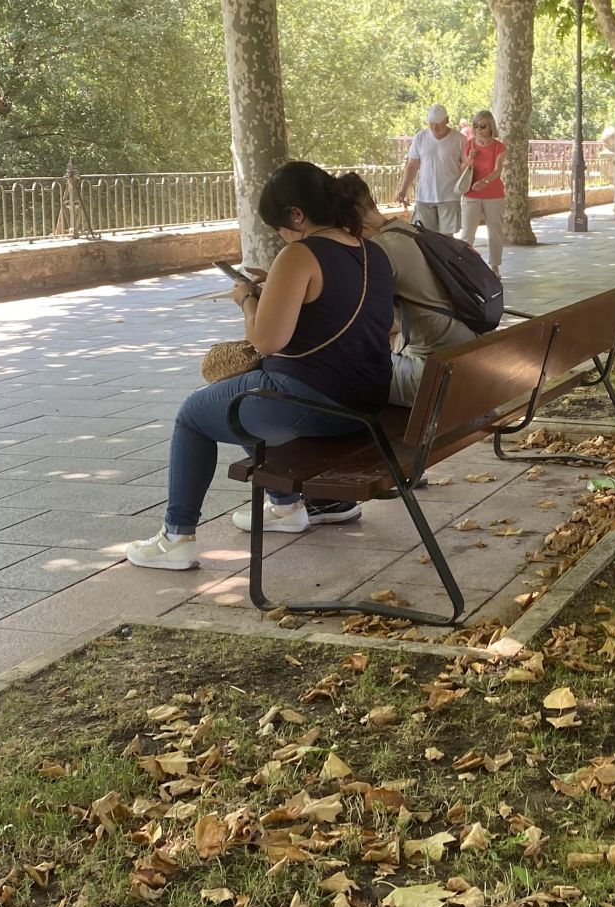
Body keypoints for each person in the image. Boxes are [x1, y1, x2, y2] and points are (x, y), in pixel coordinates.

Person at [125, 164, 394, 570]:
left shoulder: (300, 254)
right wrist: (280, 291)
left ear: (296, 215)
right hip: (366, 403)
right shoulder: (371, 251)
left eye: (279, 227)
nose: (282, 236)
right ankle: (287, 507)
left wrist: (248, 300)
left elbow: (266, 341)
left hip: (315, 403)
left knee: (193, 415)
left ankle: (176, 537)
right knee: (242, 394)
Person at [352, 177, 477, 407]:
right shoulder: (414, 230)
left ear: (348, 223)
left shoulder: (378, 250)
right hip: (473, 358)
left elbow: (365, 324)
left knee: (342, 376)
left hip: (435, 378)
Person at [396, 104, 467, 233]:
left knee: (446, 238)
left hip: (449, 196)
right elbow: (412, 166)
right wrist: (403, 189)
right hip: (424, 196)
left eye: (439, 123)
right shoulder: (420, 137)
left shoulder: (459, 139)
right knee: (426, 237)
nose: (435, 127)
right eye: (431, 123)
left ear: (447, 120)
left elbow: (466, 166)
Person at [458, 109, 508, 272]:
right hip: (471, 194)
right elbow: (461, 168)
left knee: (494, 232)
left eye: (483, 126)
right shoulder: (469, 144)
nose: (479, 129)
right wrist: (469, 158)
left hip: (493, 195)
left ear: (491, 127)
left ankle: (494, 267)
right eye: (476, 126)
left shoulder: (499, 147)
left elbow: (498, 170)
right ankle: (464, 268)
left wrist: (484, 182)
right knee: (467, 233)